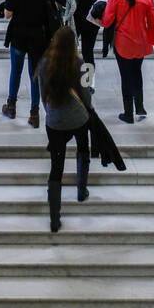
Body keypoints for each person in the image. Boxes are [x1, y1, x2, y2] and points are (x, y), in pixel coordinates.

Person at [38, 25, 93, 231]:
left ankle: (54, 218)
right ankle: (81, 189)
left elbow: (43, 93)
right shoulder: (79, 63)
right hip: (78, 118)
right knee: (82, 148)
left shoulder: (45, 63)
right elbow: (86, 93)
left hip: (55, 121)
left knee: (56, 168)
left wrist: (50, 112)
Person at [0, 0, 59, 127]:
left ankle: (11, 106)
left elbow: (7, 15)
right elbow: (52, 9)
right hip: (39, 37)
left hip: (19, 35)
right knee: (35, 75)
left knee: (15, 71)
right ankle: (34, 113)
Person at [101, 0, 154, 123]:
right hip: (141, 43)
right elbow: (153, 23)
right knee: (137, 73)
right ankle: (140, 107)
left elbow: (107, 20)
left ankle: (128, 113)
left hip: (123, 43)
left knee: (125, 77)